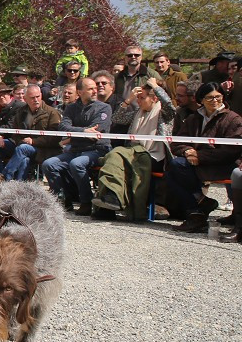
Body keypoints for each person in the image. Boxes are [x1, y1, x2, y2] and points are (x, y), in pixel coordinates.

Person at [91, 78, 175, 219]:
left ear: (154, 98)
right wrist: (128, 100)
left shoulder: (163, 114)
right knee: (115, 161)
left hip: (152, 156)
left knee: (115, 154)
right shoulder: (138, 112)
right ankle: (109, 204)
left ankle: (113, 198)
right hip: (132, 152)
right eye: (138, 98)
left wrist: (155, 86)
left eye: (142, 98)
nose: (139, 101)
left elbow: (170, 105)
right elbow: (117, 118)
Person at [166, 82, 242, 232]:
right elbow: (177, 142)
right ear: (201, 99)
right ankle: (198, 209)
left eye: (218, 97)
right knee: (172, 169)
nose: (215, 101)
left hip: (222, 164)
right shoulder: (194, 119)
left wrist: (199, 156)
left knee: (177, 169)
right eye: (209, 98)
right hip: (196, 163)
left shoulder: (233, 120)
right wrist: (187, 151)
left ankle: (197, 209)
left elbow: (230, 150)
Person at [41, 77, 113, 215]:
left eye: (95, 88)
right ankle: (63, 199)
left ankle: (86, 201)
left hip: (97, 150)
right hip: (75, 149)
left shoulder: (104, 108)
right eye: (90, 88)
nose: (95, 91)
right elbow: (63, 127)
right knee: (49, 164)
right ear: (80, 92)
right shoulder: (71, 108)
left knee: (76, 164)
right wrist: (84, 131)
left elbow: (97, 131)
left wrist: (75, 132)